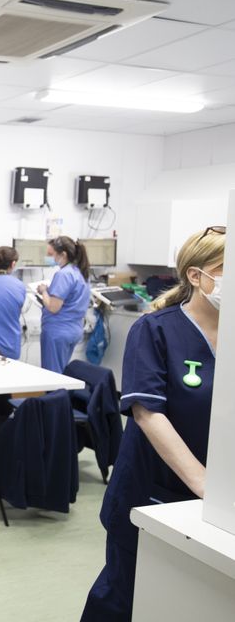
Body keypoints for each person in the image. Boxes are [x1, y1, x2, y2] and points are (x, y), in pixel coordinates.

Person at [82, 226, 224, 621]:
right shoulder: (156, 329)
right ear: (196, 276)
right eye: (225, 268)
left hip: (214, 501)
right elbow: (147, 412)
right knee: (125, 597)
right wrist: (202, 482)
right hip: (151, 489)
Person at [36, 236, 91, 372]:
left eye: (51, 254)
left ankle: (55, 394)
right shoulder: (81, 272)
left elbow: (54, 307)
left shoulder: (64, 275)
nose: (50, 257)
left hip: (58, 331)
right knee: (61, 373)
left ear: (63, 254)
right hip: (73, 329)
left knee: (52, 376)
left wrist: (43, 291)